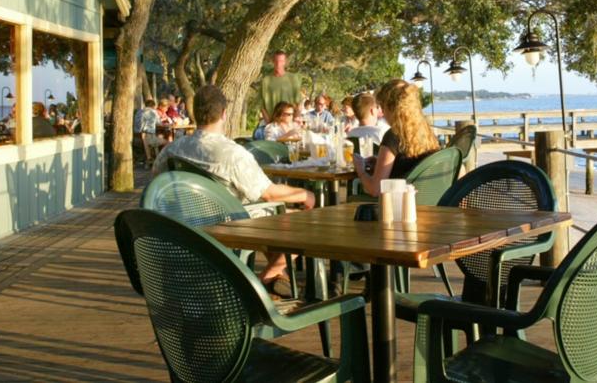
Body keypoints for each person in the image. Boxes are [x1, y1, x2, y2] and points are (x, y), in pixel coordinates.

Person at [154, 84, 315, 297]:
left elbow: (157, 184)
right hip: (230, 222)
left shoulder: (172, 150)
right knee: (304, 223)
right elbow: (267, 193)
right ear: (223, 114)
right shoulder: (232, 153)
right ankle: (260, 283)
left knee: (274, 214)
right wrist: (304, 194)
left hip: (185, 224)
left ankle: (279, 277)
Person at [353, 81, 439, 196]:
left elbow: (375, 189)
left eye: (382, 106)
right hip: (428, 201)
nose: (382, 113)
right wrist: (380, 162)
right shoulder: (426, 131)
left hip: (399, 207)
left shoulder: (393, 135)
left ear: (391, 107)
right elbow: (409, 164)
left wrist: (361, 171)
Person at [259, 50, 302, 125]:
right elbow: (261, 105)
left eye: (281, 61)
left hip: (290, 122)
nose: (278, 64)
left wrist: (296, 117)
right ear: (273, 61)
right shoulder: (266, 81)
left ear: (285, 62)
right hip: (273, 122)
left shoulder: (293, 78)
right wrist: (268, 122)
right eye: (276, 61)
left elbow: (298, 101)